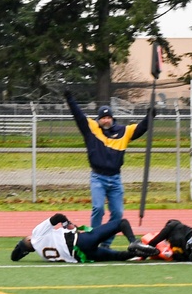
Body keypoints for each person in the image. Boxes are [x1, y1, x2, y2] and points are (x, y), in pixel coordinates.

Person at [65, 90, 151, 248]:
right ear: (99, 119)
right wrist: (70, 99)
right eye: (103, 118)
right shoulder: (91, 129)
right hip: (98, 177)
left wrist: (150, 117)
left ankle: (106, 243)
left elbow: (139, 129)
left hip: (115, 179)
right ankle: (93, 240)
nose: (106, 120)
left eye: (108, 117)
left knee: (117, 213)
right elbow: (78, 116)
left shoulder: (123, 132)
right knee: (98, 208)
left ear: (112, 118)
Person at [10, 213, 159, 263]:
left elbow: (14, 257)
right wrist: (68, 224)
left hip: (82, 257)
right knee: (122, 223)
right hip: (80, 242)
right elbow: (58, 217)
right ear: (28, 240)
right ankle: (134, 242)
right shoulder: (36, 235)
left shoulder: (43, 255)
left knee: (119, 256)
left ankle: (146, 252)